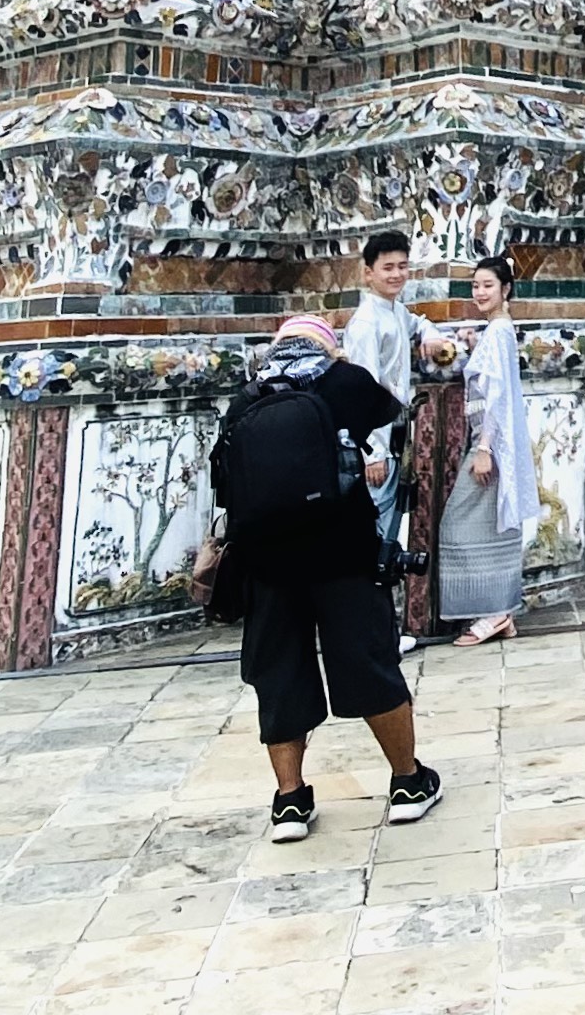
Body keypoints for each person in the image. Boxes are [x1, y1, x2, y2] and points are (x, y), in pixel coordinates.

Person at [216, 315, 445, 842]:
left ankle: (290, 802)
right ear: (326, 344)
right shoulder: (343, 380)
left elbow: (227, 485)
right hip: (343, 552)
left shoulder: (246, 399)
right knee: (369, 661)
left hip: (266, 565)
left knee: (279, 675)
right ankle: (408, 783)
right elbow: (390, 413)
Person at [342, 230, 452, 652]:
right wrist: (372, 450)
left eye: (403, 266)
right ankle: (372, 635)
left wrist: (430, 336)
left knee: (388, 536)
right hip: (377, 440)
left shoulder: (394, 311)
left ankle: (381, 631)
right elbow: (362, 391)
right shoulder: (367, 323)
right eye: (388, 268)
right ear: (368, 273)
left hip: (396, 431)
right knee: (375, 539)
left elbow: (417, 323)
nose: (397, 274)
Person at [439, 255, 529, 646]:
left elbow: (494, 396)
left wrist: (484, 448)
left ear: (505, 289)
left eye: (488, 285)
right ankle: (497, 611)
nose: (480, 292)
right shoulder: (497, 331)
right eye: (475, 286)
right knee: (492, 523)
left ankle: (495, 611)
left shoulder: (498, 333)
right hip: (493, 442)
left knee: (458, 523)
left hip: (491, 444)